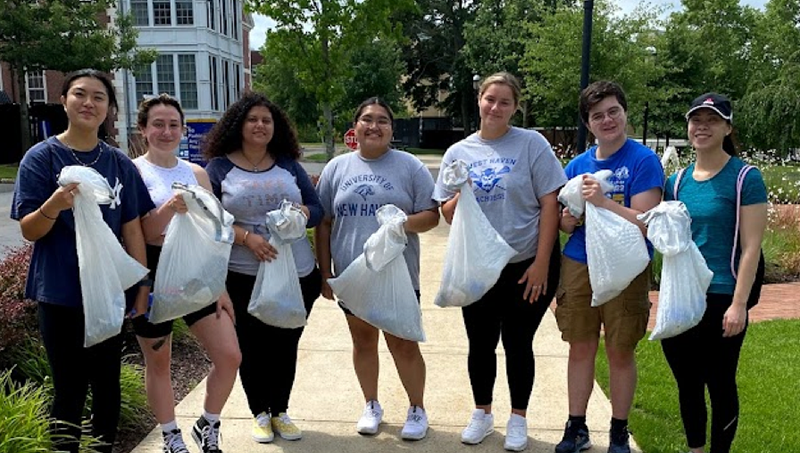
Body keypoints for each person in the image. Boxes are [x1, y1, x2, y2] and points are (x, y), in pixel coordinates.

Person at [11, 69, 153, 453]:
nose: (89, 103)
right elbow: (30, 230)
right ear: (64, 101)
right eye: (79, 94)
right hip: (59, 292)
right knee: (69, 388)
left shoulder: (119, 163)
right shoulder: (41, 158)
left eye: (99, 97)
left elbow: (133, 229)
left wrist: (142, 285)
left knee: (107, 384)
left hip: (108, 292)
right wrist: (54, 204)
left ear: (109, 108)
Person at [433, 72, 566, 452]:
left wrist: (542, 262)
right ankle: (482, 412)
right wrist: (462, 191)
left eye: (505, 102)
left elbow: (549, 203)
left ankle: (518, 418)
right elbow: (447, 213)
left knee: (519, 342)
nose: (496, 107)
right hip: (478, 266)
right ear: (479, 99)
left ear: (515, 107)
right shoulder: (458, 153)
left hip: (526, 263)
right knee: (480, 342)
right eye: (490, 99)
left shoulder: (531, 144)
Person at [315, 97, 439, 440]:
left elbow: (431, 216)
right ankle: (371, 404)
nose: (374, 125)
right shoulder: (337, 169)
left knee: (403, 343)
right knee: (363, 341)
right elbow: (324, 222)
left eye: (382, 120)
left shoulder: (409, 166)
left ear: (391, 128)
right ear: (354, 128)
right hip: (353, 276)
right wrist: (325, 272)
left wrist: (401, 224)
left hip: (397, 274)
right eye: (367, 119)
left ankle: (417, 408)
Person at [203, 92, 323, 444]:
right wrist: (245, 238)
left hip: (296, 274)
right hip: (242, 276)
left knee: (285, 344)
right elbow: (208, 220)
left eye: (266, 120)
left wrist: (302, 215)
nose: (259, 125)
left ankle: (280, 411)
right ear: (238, 125)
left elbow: (316, 208)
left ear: (276, 127)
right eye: (252, 119)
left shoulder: (287, 164)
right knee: (251, 347)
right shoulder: (219, 168)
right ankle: (259, 412)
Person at [556, 81, 663, 453]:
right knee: (580, 347)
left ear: (625, 112)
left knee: (620, 349)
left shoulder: (642, 160)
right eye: (598, 115)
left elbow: (647, 220)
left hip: (627, 268)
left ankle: (619, 429)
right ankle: (576, 427)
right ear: (588, 123)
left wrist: (602, 201)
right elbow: (564, 219)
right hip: (580, 262)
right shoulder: (578, 165)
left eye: (613, 111)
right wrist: (567, 220)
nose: (607, 120)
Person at [132, 94, 242, 453]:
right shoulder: (134, 171)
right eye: (158, 124)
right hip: (152, 272)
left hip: (195, 272)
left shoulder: (195, 173)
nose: (166, 131)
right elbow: (143, 232)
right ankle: (170, 436)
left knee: (229, 356)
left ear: (182, 129)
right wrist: (170, 207)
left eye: (173, 125)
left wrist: (220, 287)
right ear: (144, 130)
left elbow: (212, 233)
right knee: (159, 360)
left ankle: (207, 424)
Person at [661, 93, 767, 453]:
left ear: (727, 127)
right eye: (696, 119)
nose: (702, 126)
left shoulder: (745, 178)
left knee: (720, 382)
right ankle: (695, 449)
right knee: (687, 383)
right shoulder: (676, 182)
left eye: (712, 119)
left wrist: (739, 305)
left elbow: (752, 247)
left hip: (723, 295)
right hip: (682, 298)